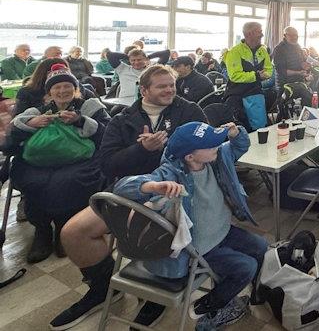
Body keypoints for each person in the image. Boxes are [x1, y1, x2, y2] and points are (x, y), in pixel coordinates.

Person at [51, 65, 207, 330]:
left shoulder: (190, 111)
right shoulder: (122, 119)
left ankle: (156, 290)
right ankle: (102, 287)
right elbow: (107, 165)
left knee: (145, 231)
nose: (170, 90)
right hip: (127, 190)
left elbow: (207, 152)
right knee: (72, 234)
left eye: (171, 84)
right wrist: (141, 149)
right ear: (144, 90)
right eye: (162, 86)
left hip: (174, 190)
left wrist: (169, 150)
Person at [114, 121, 266, 329]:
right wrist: (154, 186)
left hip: (223, 231)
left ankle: (253, 292)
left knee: (261, 248)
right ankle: (210, 306)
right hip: (198, 248)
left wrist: (236, 132)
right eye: (210, 144)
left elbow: (239, 146)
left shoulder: (216, 158)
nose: (217, 145)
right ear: (189, 157)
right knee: (246, 267)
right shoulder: (171, 173)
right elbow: (122, 188)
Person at [9, 64, 109, 263]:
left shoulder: (90, 106)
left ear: (75, 89)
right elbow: (11, 139)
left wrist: (81, 121)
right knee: (32, 180)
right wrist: (30, 124)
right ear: (49, 92)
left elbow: (108, 134)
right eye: (57, 87)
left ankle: (66, 227)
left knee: (67, 180)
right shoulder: (35, 111)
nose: (62, 91)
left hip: (80, 162)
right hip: (38, 163)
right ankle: (42, 231)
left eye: (67, 86)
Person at [224, 22, 273, 124]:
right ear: (250, 33)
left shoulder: (263, 51)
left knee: (260, 126)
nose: (262, 34)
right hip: (237, 94)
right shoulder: (234, 52)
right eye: (259, 32)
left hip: (256, 93)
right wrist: (256, 75)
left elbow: (269, 69)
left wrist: (266, 75)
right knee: (241, 128)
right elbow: (234, 76)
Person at [271, 26, 312, 107]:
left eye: (296, 35)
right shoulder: (279, 49)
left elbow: (301, 62)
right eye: (291, 35)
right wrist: (298, 72)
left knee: (306, 105)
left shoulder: (297, 46)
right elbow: (281, 71)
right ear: (285, 36)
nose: (294, 37)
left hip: (299, 83)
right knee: (284, 110)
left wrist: (305, 66)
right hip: (284, 85)